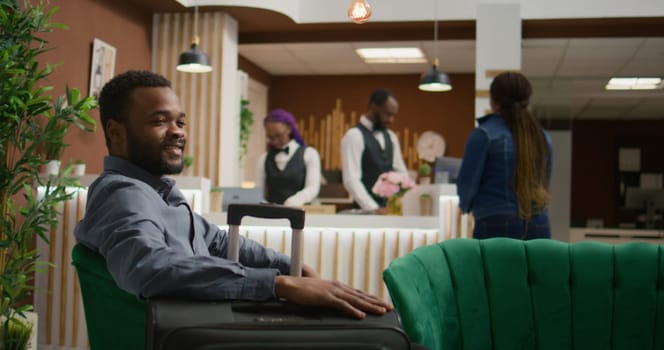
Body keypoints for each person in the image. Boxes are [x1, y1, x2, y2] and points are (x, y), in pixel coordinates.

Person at [73, 70, 391, 319]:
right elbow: (150, 267)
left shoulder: (157, 190)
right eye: (159, 121)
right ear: (116, 132)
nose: (178, 131)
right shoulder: (122, 194)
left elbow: (216, 241)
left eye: (180, 121)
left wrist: (289, 266)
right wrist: (278, 284)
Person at [457, 71, 553, 240]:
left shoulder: (484, 134)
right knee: (534, 268)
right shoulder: (542, 136)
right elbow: (544, 181)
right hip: (539, 222)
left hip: (494, 222)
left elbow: (468, 185)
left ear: (493, 101)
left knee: (493, 268)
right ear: (527, 101)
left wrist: (465, 206)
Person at [340, 88, 408, 214]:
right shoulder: (354, 135)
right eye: (388, 114)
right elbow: (351, 179)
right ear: (373, 107)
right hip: (364, 212)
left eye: (393, 115)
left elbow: (402, 173)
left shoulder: (391, 137)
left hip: (389, 211)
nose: (391, 120)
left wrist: (397, 202)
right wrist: (373, 208)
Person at [255, 109, 321, 206]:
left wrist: (295, 200)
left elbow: (313, 188)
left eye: (278, 135)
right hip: (271, 214)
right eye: (270, 137)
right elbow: (259, 191)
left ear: (289, 129)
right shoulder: (264, 158)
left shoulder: (309, 154)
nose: (274, 141)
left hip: (300, 212)